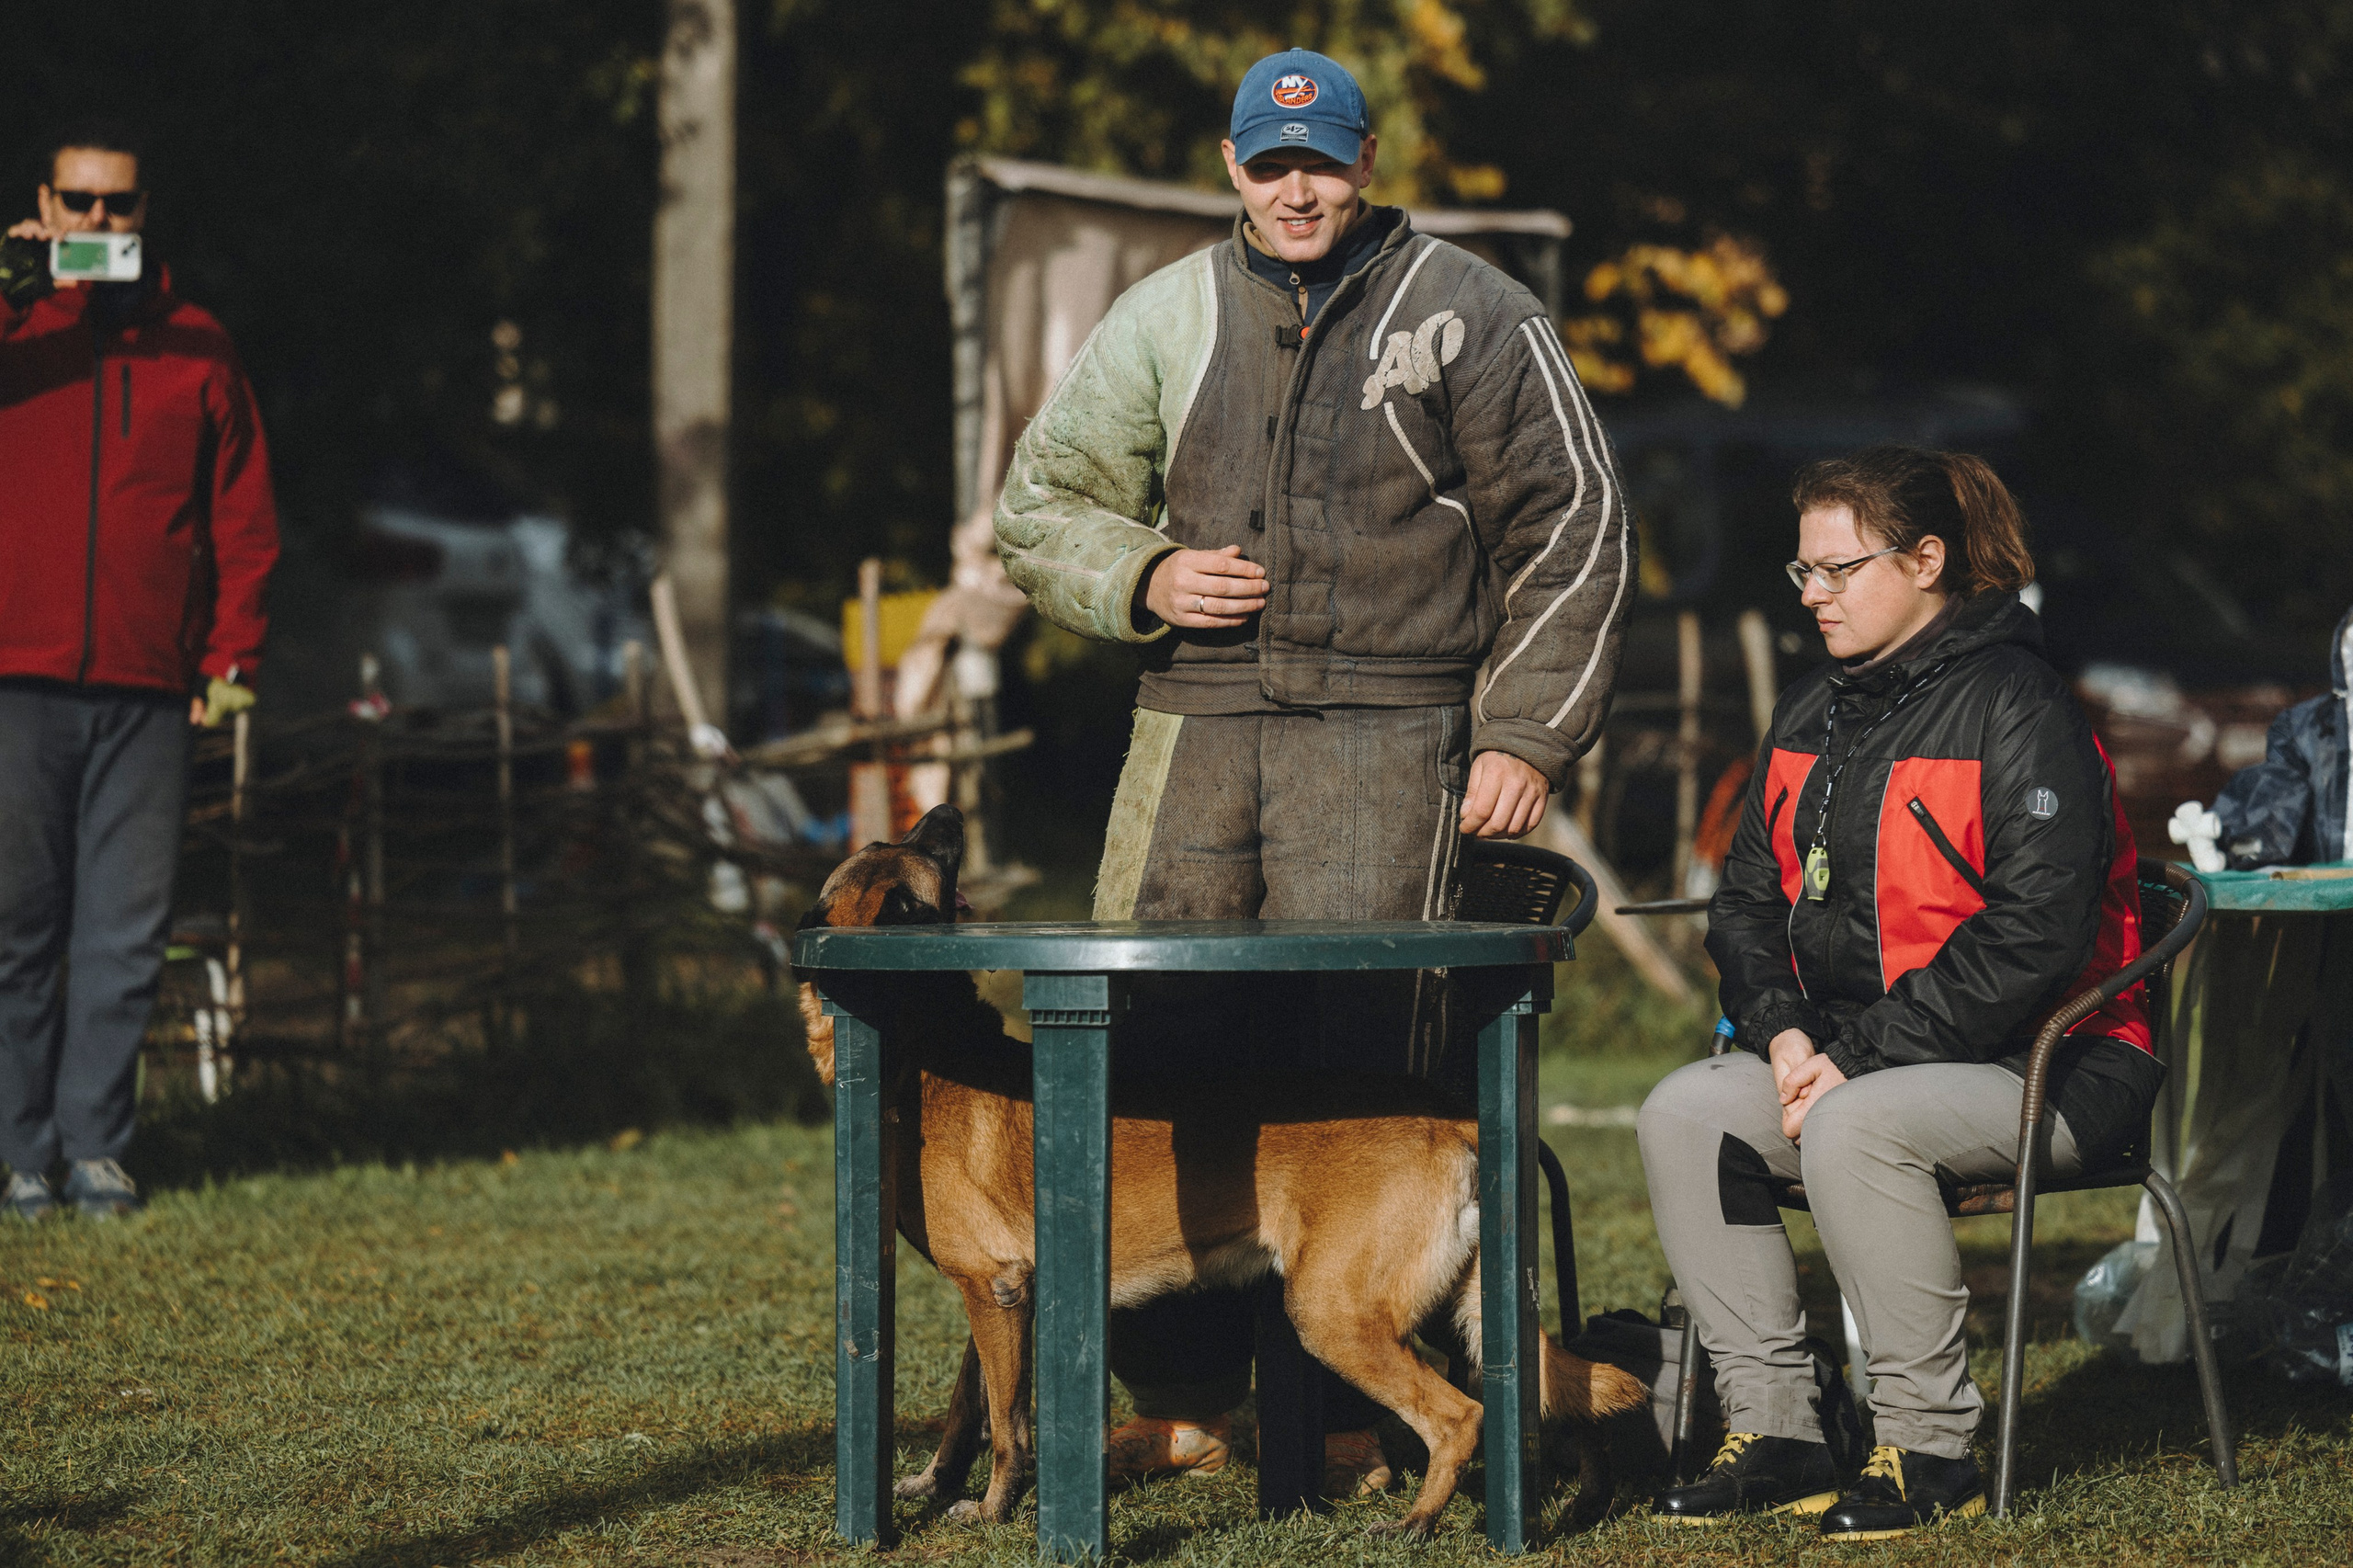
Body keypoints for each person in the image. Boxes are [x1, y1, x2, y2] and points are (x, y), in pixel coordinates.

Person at [995, 50, 1629, 1494]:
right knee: (1155, 1059)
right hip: (1194, 736)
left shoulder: (1473, 311)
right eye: (1271, 165)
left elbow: (1576, 521)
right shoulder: (1164, 313)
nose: (1298, 190)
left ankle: (1368, 1412)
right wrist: (1146, 574)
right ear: (1232, 166)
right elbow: (1039, 506)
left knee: (1370, 1074)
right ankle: (1188, 1404)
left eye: (1323, 164)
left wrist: (1525, 731)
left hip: (1394, 739)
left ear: (1367, 162)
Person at [1637, 445, 2159, 1539]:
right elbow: (1744, 902)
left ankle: (1926, 1444)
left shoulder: (2020, 704)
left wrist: (1855, 1057)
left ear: (1927, 561)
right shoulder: (1810, 709)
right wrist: (1782, 1032)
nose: (1812, 593)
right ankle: (1777, 1426)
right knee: (1686, 1110)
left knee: (1857, 1124)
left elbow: (2035, 935)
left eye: (1839, 568)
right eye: (1804, 570)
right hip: (1858, 1060)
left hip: (2059, 1065)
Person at [0, 119, 279, 1221]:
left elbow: (244, 513)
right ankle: (20, 1154)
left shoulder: (198, 343)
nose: (97, 220)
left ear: (143, 210)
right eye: (78, 202)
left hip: (150, 688)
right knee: (16, 927)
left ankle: (98, 1152)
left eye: (116, 203)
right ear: (45, 206)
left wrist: (231, 654)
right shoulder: (15, 327)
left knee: (124, 933)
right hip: (15, 677)